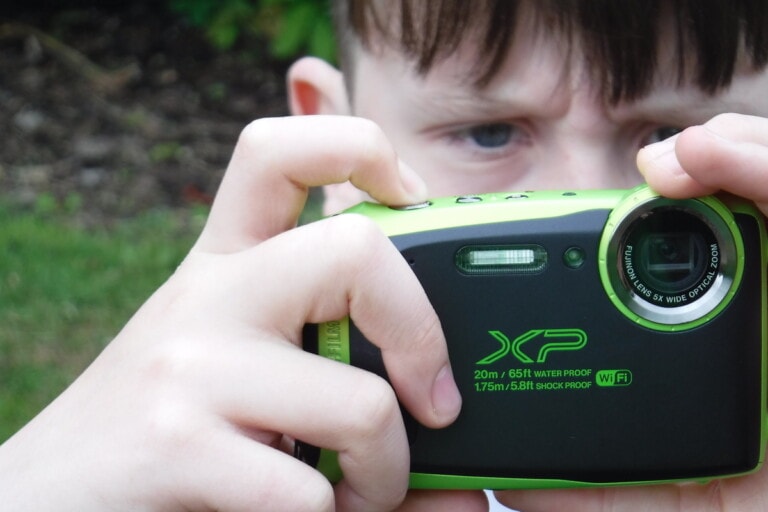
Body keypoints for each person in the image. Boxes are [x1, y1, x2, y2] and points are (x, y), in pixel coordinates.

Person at [1, 1, 766, 511]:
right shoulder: (234, 457)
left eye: (669, 136)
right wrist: (42, 485)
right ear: (329, 145)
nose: (587, 202)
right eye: (490, 133)